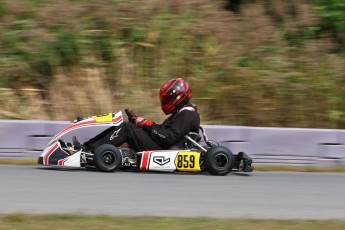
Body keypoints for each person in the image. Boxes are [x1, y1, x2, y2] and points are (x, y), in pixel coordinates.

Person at [81, 77, 200, 152]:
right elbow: (165, 132)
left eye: (168, 99)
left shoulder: (188, 114)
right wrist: (142, 123)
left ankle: (91, 150)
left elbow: (168, 138)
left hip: (164, 151)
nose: (165, 102)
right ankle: (88, 146)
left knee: (127, 128)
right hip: (161, 146)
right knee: (125, 125)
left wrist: (147, 125)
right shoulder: (182, 112)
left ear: (178, 97)